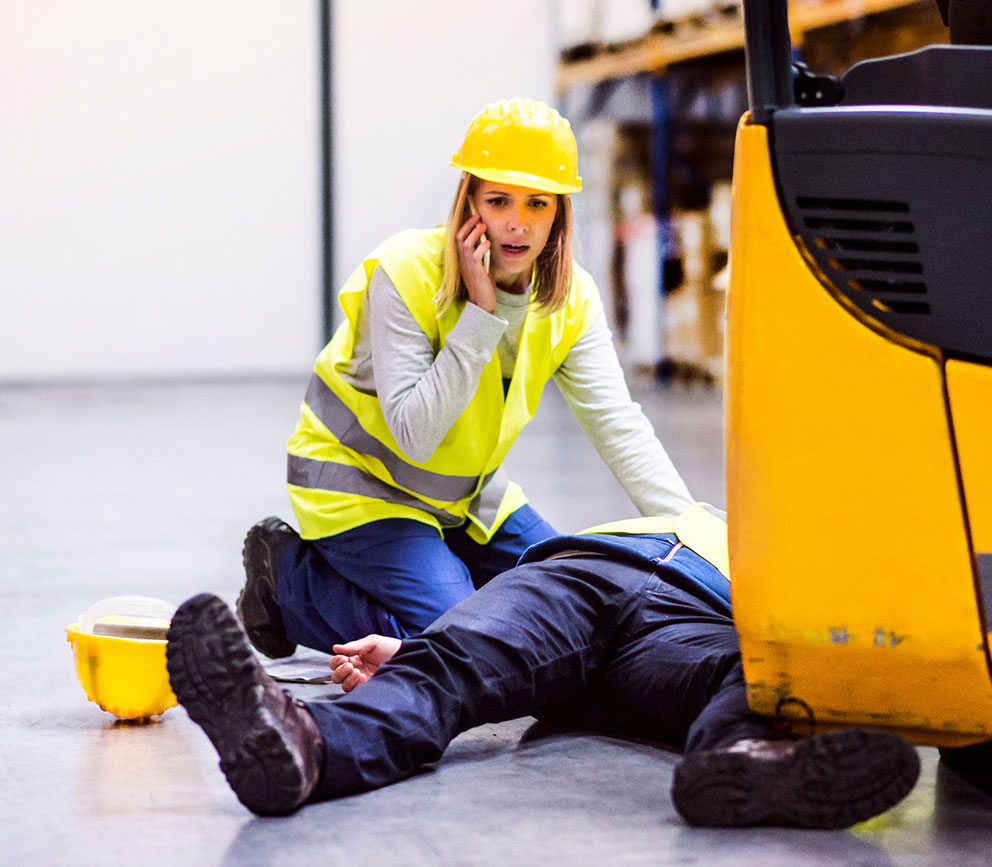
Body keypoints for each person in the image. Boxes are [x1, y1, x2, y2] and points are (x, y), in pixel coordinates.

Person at [239, 97, 694, 660]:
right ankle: (289, 583)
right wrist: (480, 316)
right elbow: (415, 434)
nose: (517, 222)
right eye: (498, 199)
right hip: (362, 490)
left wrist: (691, 532)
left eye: (537, 204)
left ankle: (450, 588)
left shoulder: (571, 295)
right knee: (469, 644)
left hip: (465, 497)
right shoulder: (405, 270)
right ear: (469, 200)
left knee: (575, 601)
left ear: (559, 215)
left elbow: (616, 422)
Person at [167, 505, 921, 827]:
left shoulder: (768, 532)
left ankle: (741, 763)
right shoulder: (678, 517)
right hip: (584, 573)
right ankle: (302, 745)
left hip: (695, 616)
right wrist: (412, 642)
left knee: (754, 673)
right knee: (449, 660)